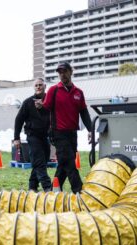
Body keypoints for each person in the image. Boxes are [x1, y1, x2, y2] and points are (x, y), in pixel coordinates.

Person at [37, 62, 92, 193]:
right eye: (60, 72)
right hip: (58, 133)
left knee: (64, 164)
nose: (62, 74)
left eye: (65, 71)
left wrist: (91, 130)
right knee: (69, 163)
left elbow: (84, 112)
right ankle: (79, 191)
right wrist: (40, 107)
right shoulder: (53, 90)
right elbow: (45, 109)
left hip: (72, 134)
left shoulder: (78, 92)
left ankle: (53, 191)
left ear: (71, 72)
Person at [13, 78, 52, 192]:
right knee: (39, 161)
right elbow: (19, 120)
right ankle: (47, 187)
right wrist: (16, 138)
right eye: (36, 85)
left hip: (45, 136)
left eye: (40, 85)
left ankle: (32, 186)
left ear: (45, 86)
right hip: (32, 135)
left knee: (42, 161)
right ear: (34, 87)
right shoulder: (28, 102)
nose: (38, 87)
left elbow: (53, 116)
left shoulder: (49, 101)